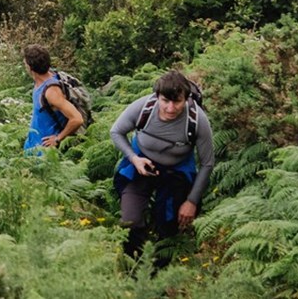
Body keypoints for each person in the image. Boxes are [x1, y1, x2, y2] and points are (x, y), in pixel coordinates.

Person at [110, 71, 214, 258]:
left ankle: (161, 263)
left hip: (176, 172)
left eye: (177, 102)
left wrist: (191, 201)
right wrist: (134, 158)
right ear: (157, 96)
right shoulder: (143, 108)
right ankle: (134, 262)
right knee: (130, 221)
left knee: (168, 225)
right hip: (140, 167)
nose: (170, 108)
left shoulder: (197, 120)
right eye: (165, 101)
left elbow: (207, 163)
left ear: (186, 99)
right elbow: (116, 131)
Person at [22, 45, 85, 153]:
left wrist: (58, 138)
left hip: (46, 152)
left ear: (30, 67)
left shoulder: (51, 92)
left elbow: (77, 119)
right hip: (33, 145)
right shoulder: (46, 77)